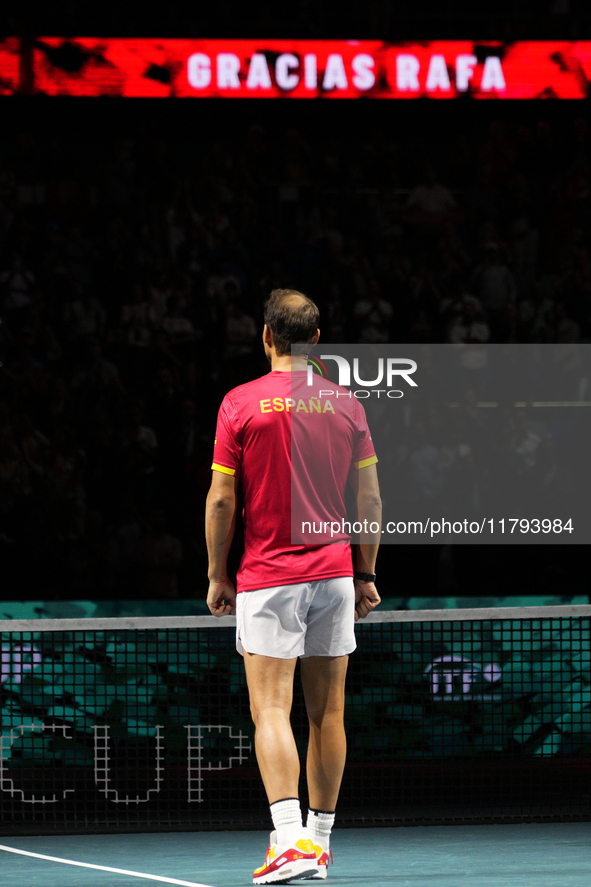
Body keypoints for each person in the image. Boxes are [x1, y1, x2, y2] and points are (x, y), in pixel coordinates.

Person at [205, 288, 381, 884]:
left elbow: (223, 497)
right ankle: (320, 843)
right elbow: (372, 499)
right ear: (316, 342)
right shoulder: (347, 405)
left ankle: (289, 840)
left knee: (272, 711)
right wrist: (367, 573)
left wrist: (216, 572)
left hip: (270, 576)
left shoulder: (239, 404)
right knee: (328, 713)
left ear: (266, 337)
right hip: (334, 575)